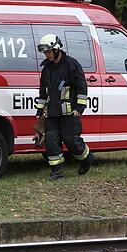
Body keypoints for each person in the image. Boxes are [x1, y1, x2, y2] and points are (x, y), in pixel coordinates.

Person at [35, 33, 92, 180]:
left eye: (48, 52)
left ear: (56, 49)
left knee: (71, 140)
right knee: (51, 142)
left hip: (70, 113)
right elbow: (43, 92)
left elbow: (81, 88)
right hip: (52, 113)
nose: (47, 55)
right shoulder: (46, 69)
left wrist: (79, 109)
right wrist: (40, 110)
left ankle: (86, 158)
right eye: (45, 52)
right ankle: (56, 171)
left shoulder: (72, 65)